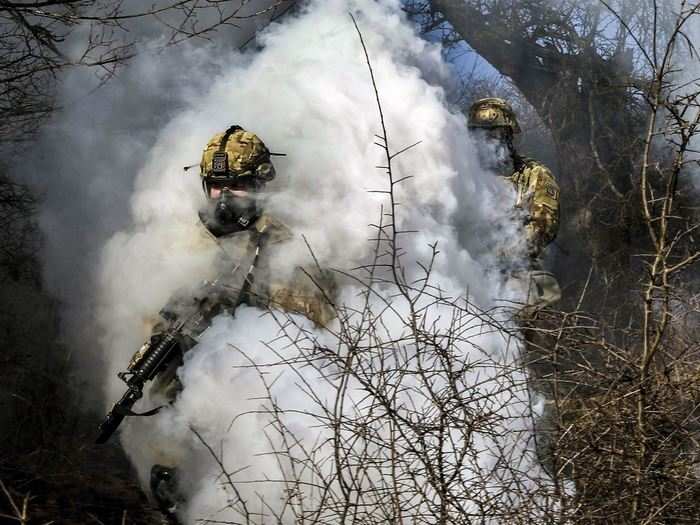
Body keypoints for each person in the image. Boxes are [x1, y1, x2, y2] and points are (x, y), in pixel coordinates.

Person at [138, 125, 336, 521]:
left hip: (272, 434)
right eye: (216, 186)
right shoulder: (188, 245)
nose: (225, 198)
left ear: (262, 184)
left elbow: (311, 352)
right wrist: (169, 455)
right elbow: (167, 380)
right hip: (199, 430)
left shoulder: (289, 251)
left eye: (238, 185)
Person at [467, 97, 561, 309]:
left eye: (494, 134)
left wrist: (499, 252)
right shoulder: (465, 174)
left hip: (519, 270)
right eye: (479, 135)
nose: (487, 141)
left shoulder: (534, 175)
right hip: (470, 268)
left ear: (508, 136)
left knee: (530, 295)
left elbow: (543, 227)